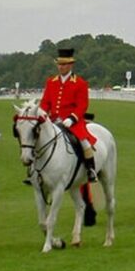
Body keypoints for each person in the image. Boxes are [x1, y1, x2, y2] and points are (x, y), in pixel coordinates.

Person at [40, 48, 98, 182]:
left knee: (85, 143)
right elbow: (45, 102)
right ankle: (35, 173)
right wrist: (43, 115)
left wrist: (72, 118)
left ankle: (91, 170)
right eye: (59, 64)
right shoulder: (51, 82)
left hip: (73, 122)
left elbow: (82, 105)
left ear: (71, 65)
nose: (61, 67)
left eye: (64, 64)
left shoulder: (80, 83)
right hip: (54, 120)